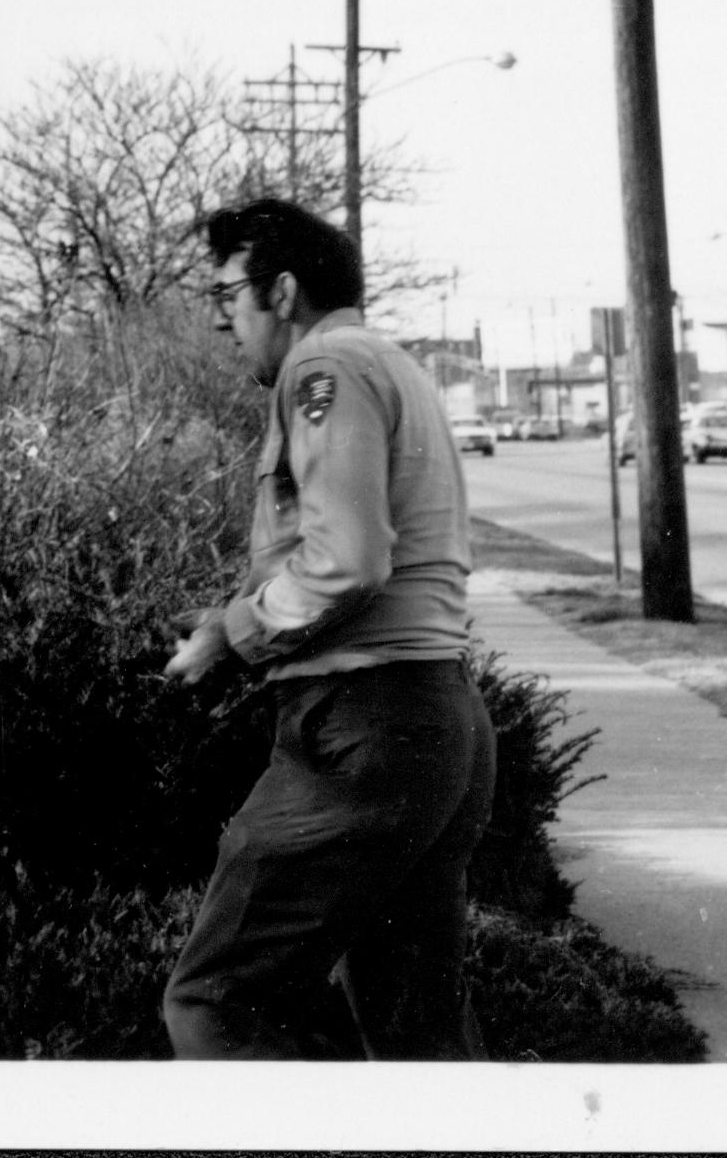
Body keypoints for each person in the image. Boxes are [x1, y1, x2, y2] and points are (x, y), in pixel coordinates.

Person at [159, 197, 497, 1060]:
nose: (221, 317)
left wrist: (232, 633)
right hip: (431, 714)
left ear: (280, 290)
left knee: (215, 1002)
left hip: (361, 726)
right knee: (417, 1035)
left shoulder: (326, 372)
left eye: (226, 292)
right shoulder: (391, 363)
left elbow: (348, 559)